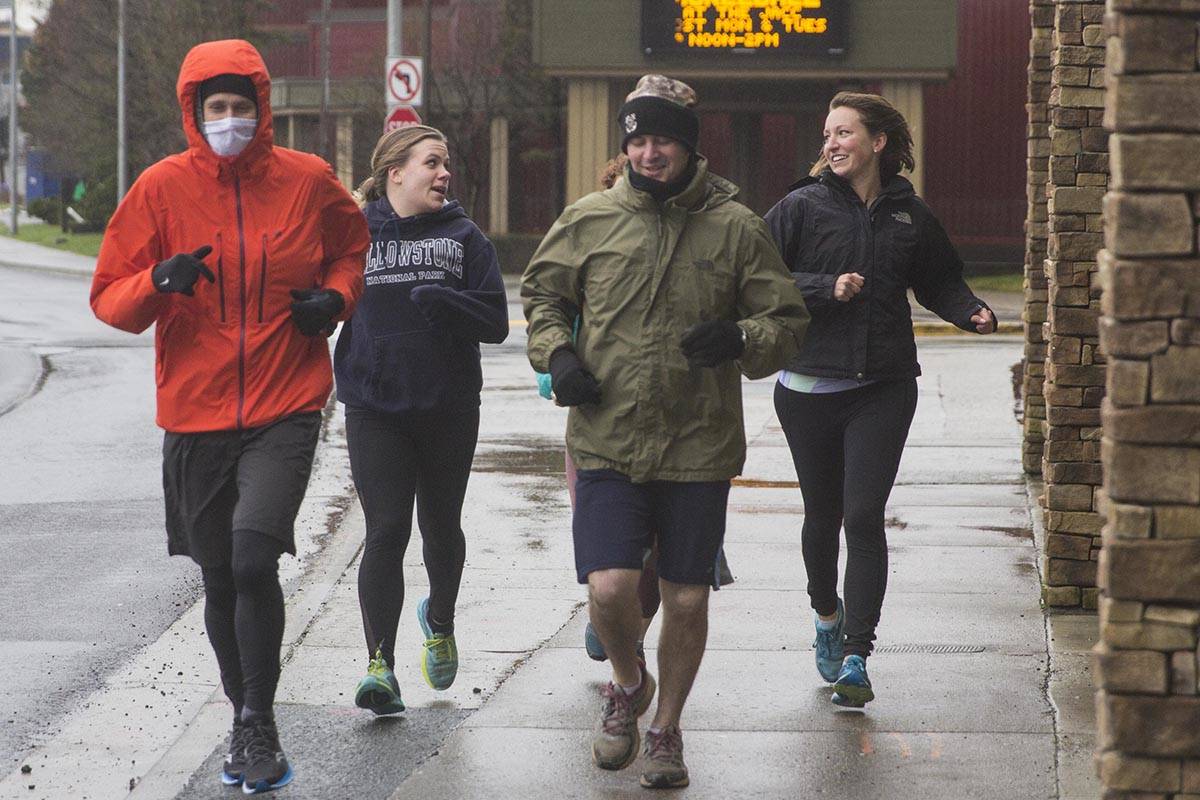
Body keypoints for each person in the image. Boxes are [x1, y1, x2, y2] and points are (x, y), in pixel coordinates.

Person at [89, 40, 368, 794]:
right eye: (216, 107)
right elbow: (108, 297)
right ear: (194, 112)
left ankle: (259, 723)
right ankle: (244, 715)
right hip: (196, 411)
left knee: (251, 558)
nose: (230, 119)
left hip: (285, 403)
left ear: (261, 109)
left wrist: (334, 300)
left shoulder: (308, 180)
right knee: (219, 574)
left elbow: (352, 249)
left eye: (241, 105)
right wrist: (157, 280)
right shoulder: (160, 188)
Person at [522, 74, 809, 789]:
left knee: (685, 598)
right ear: (626, 147)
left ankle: (666, 729)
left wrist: (740, 337)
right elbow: (543, 297)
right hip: (607, 434)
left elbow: (786, 322)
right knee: (610, 587)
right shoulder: (588, 219)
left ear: (688, 146)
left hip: (697, 442)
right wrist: (558, 356)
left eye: (664, 141)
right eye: (639, 141)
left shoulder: (736, 226)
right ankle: (629, 683)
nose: (650, 153)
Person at [764, 91, 997, 708]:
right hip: (809, 387)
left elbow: (940, 280)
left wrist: (969, 310)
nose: (832, 143)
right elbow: (756, 278)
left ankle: (856, 656)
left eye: (843, 132)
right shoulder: (801, 206)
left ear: (878, 141)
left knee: (864, 516)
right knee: (822, 516)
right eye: (828, 134)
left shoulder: (909, 214)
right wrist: (824, 286)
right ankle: (825, 612)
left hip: (884, 386)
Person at [333, 125, 509, 715]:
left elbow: (496, 322)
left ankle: (440, 620)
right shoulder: (355, 234)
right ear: (396, 173)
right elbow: (325, 296)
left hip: (448, 407)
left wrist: (449, 302)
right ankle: (379, 666)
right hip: (374, 407)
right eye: (432, 162)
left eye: (446, 163)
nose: (444, 173)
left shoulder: (464, 237)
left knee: (440, 527)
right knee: (386, 531)